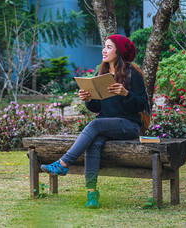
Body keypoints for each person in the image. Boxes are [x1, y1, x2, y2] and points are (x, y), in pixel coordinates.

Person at [40, 34, 148, 209]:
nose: (104, 51)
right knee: (94, 143)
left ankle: (62, 163)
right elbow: (98, 108)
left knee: (96, 124)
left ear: (118, 51)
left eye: (109, 47)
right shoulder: (103, 74)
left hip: (128, 125)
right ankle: (92, 193)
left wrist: (125, 93)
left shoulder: (132, 74)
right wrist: (88, 99)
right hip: (107, 125)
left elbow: (142, 104)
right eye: (104, 47)